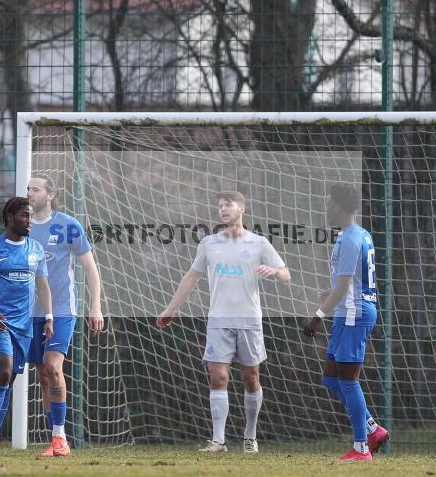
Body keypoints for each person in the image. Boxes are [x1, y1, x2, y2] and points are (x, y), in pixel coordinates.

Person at [157, 191, 290, 453]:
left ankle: (250, 436)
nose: (223, 209)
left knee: (251, 379)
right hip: (218, 321)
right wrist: (171, 308)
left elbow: (286, 274)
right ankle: (218, 441)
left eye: (228, 205)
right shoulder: (209, 243)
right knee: (218, 377)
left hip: (249, 321)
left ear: (242, 208)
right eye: (219, 206)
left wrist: (275, 271)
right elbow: (192, 276)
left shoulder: (259, 243)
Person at [303, 183, 388, 461]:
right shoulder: (357, 234)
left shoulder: (352, 239)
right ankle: (372, 429)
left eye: (329, 204)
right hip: (347, 310)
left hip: (354, 313)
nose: (326, 209)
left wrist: (317, 317)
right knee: (331, 377)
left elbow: (344, 287)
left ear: (338, 207)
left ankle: (361, 448)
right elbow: (348, 282)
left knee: (349, 381)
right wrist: (332, 293)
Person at [26, 173, 103, 458]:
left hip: (62, 310)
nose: (30, 193)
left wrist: (96, 306)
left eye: (35, 189)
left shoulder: (68, 225)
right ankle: (55, 438)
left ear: (51, 195)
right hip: (31, 312)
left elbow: (91, 268)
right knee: (43, 375)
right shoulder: (23, 226)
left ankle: (61, 438)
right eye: (28, 189)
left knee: (53, 367)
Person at [0, 196, 53, 457]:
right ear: (10, 218)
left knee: (9, 381)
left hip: (24, 327)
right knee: (4, 372)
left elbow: (43, 287)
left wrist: (49, 317)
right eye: (25, 216)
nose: (30, 221)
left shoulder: (36, 249)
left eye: (31, 216)